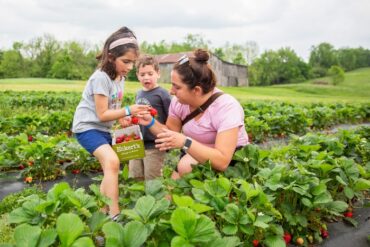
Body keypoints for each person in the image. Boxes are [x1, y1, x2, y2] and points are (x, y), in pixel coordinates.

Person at [72, 26, 150, 220]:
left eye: (132, 62)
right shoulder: (100, 77)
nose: (130, 67)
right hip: (88, 127)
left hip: (102, 129)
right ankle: (115, 216)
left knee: (110, 167)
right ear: (110, 56)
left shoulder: (120, 77)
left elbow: (112, 107)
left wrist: (122, 116)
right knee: (112, 161)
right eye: (126, 61)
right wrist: (128, 110)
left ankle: (101, 213)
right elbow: (101, 114)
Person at [138, 49, 249, 179]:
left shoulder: (226, 107)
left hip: (231, 160)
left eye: (177, 87)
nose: (171, 91)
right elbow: (169, 132)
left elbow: (222, 160)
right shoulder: (178, 102)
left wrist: (185, 142)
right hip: (193, 150)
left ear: (196, 90)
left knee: (187, 168)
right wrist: (150, 121)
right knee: (170, 195)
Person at [128, 55, 171, 180]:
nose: (146, 77)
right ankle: (139, 199)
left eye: (150, 73)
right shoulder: (139, 93)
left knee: (152, 179)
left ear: (158, 73)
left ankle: (154, 199)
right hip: (138, 142)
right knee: (135, 176)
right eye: (142, 75)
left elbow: (171, 119)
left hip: (155, 144)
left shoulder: (163, 94)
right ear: (137, 76)